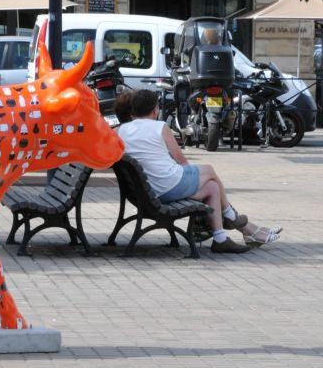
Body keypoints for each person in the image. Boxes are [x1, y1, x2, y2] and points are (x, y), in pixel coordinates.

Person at [116, 89, 282, 254]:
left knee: (212, 187)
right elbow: (182, 161)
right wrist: (188, 174)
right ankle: (231, 216)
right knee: (208, 170)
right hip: (168, 186)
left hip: (150, 191)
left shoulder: (122, 131)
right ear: (155, 109)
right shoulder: (160, 127)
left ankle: (220, 239)